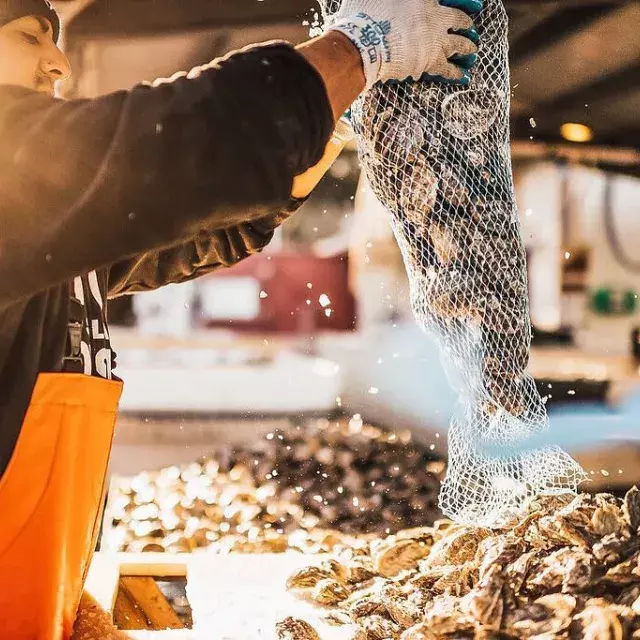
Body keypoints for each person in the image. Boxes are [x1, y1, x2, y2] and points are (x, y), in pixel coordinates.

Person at [0, 0, 479, 637]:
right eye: (32, 36)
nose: (59, 64)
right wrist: (357, 50)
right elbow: (170, 142)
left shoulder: (37, 239)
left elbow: (199, 227)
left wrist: (328, 121)